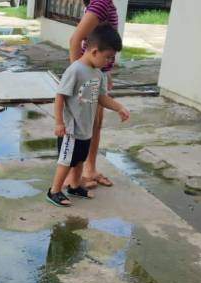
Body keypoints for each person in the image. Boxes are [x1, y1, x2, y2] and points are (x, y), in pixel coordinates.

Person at [47, 24, 129, 207]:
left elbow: (101, 98)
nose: (109, 62)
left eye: (112, 58)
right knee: (66, 161)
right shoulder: (75, 70)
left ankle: (75, 187)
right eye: (107, 57)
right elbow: (60, 96)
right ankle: (54, 191)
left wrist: (119, 107)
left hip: (85, 128)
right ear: (93, 51)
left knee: (79, 161)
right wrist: (59, 123)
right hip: (71, 129)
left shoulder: (98, 74)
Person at [66, 0, 119, 190]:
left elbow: (99, 42)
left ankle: (88, 169)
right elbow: (75, 40)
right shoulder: (101, 2)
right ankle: (74, 175)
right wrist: (78, 75)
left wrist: (106, 70)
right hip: (89, 75)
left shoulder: (103, 2)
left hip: (97, 72)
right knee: (84, 124)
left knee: (94, 124)